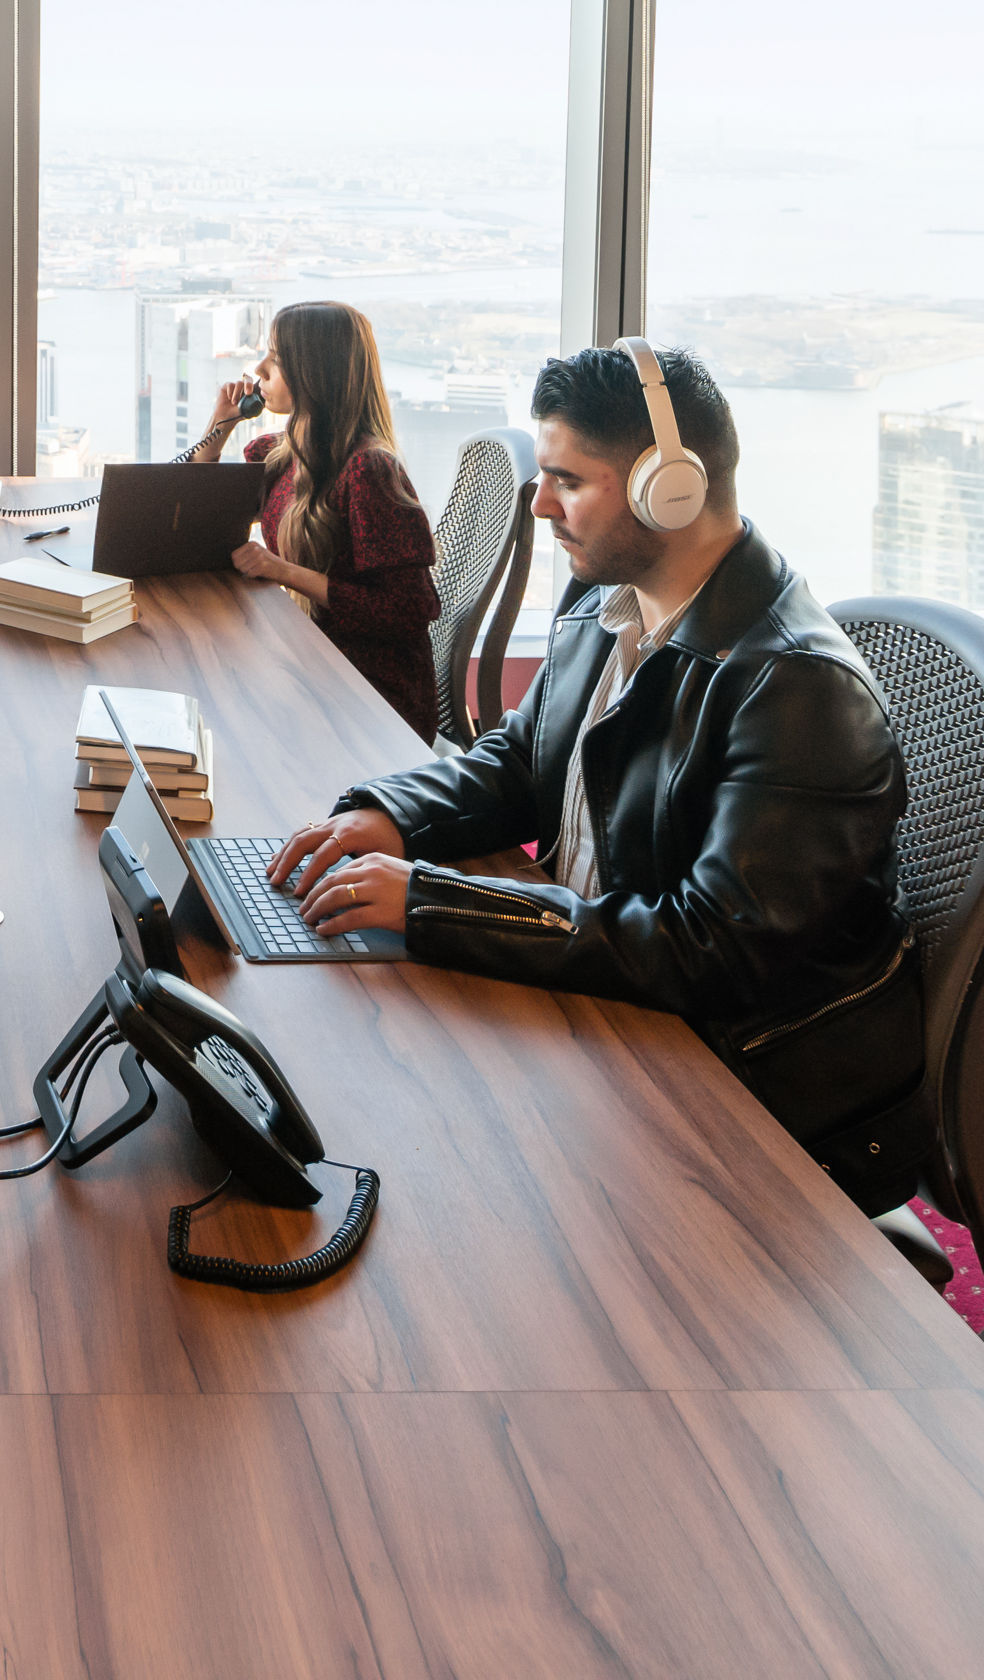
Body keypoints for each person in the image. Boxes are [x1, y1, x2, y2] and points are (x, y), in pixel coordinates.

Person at [264, 342, 927, 1206]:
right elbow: (521, 757)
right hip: (611, 995)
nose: (538, 505)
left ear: (670, 488)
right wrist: (390, 815)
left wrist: (432, 901)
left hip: (739, 1078)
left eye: (567, 481)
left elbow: (710, 952)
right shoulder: (605, 600)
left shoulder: (793, 688)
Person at [186, 301, 441, 738]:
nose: (260, 369)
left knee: (219, 715)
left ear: (315, 375)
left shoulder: (368, 471)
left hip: (372, 697)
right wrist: (218, 428)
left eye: (278, 360)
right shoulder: (285, 455)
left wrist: (283, 570)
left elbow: (408, 611)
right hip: (315, 659)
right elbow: (190, 514)